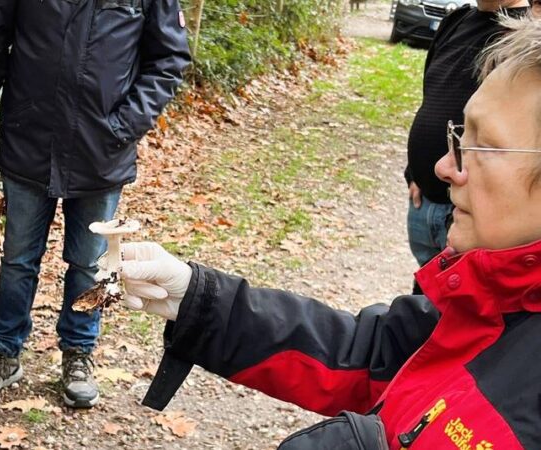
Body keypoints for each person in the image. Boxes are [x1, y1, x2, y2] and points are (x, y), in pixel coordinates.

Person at [119, 16, 541, 449]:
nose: (445, 167)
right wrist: (197, 300)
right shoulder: (488, 303)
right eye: (459, 136)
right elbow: (370, 355)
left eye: (483, 145)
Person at [0, 0, 190, 408]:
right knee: (18, 259)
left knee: (92, 263)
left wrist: (124, 126)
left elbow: (168, 60)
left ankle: (79, 353)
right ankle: (5, 353)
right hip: (29, 141)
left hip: (102, 151)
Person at [404, 0, 528, 294]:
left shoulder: (527, 38)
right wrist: (414, 172)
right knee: (423, 305)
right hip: (424, 201)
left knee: (459, 307)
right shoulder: (456, 21)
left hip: (468, 211)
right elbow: (429, 95)